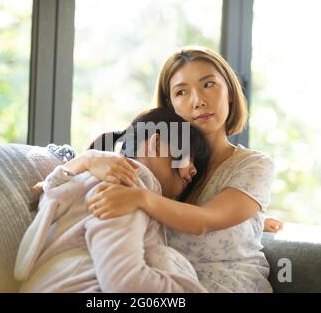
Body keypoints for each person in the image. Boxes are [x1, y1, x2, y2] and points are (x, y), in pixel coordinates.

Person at [66, 46, 279, 292]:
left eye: (208, 85)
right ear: (170, 105)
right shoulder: (156, 165)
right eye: (181, 92)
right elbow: (62, 188)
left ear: (230, 92)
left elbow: (204, 221)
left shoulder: (253, 165)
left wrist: (139, 198)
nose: (198, 101)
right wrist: (88, 160)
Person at [14, 108, 211, 293]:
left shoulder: (102, 182)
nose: (193, 170)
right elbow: (126, 283)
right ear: (156, 144)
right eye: (189, 156)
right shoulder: (124, 189)